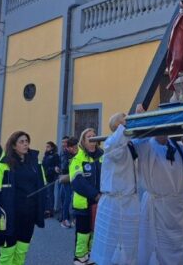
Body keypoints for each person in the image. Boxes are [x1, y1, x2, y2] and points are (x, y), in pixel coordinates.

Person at [135, 109, 183, 265]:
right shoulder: (145, 147)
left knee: (177, 249)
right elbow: (133, 140)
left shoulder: (179, 147)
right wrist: (142, 118)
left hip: (177, 208)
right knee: (155, 249)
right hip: (157, 207)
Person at [0, 131, 47, 265]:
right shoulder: (2, 166)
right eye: (21, 142)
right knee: (6, 255)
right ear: (13, 146)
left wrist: (44, 207)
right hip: (9, 218)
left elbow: (42, 187)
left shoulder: (35, 164)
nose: (25, 144)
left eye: (27, 141)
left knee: (21, 253)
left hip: (28, 217)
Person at [91, 113, 140, 265]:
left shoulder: (129, 143)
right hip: (113, 203)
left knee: (129, 244)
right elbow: (117, 150)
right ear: (119, 126)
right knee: (109, 247)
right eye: (124, 118)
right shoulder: (111, 143)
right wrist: (126, 126)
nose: (128, 120)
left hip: (129, 202)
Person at [70, 128, 104, 265]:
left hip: (101, 203)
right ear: (83, 141)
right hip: (84, 204)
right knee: (83, 236)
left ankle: (92, 258)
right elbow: (78, 182)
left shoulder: (103, 156)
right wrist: (95, 195)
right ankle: (80, 259)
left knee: (96, 235)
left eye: (94, 136)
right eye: (89, 137)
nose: (92, 139)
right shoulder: (77, 159)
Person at [59, 137, 78, 228]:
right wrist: (72, 160)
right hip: (66, 178)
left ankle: (72, 217)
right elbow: (64, 167)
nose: (64, 144)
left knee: (72, 197)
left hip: (74, 177)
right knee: (67, 197)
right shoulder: (64, 153)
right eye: (63, 142)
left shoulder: (75, 153)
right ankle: (64, 219)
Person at [41, 141, 60, 218]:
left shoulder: (55, 155)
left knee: (50, 194)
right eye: (46, 146)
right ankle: (46, 209)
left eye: (48, 146)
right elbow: (43, 165)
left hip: (51, 176)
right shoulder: (46, 155)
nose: (46, 148)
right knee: (46, 194)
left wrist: (52, 169)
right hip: (44, 176)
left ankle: (50, 211)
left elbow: (57, 166)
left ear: (52, 147)